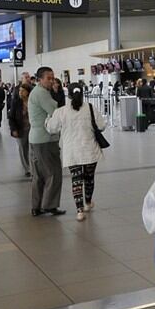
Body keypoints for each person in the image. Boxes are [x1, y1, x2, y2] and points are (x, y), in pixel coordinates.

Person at [46, 84, 105, 222]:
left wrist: (47, 120)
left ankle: (79, 211)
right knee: (89, 178)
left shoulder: (61, 111)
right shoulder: (90, 108)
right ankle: (88, 203)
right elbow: (101, 126)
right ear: (83, 94)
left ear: (69, 95)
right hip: (90, 150)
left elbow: (52, 129)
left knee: (76, 180)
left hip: (72, 151)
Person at [29, 67, 65, 216]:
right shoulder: (42, 94)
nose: (52, 81)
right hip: (45, 139)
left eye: (53, 78)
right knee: (54, 172)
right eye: (49, 78)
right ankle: (49, 205)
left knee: (39, 175)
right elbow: (56, 112)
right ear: (40, 79)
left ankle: (36, 206)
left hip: (36, 139)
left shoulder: (38, 92)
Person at [9, 82, 33, 177]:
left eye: (23, 91)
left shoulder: (32, 101)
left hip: (32, 128)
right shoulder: (16, 102)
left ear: (28, 92)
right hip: (21, 128)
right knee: (23, 149)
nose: (20, 92)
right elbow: (11, 117)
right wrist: (13, 129)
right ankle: (27, 168)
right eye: (19, 91)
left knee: (32, 149)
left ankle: (33, 168)